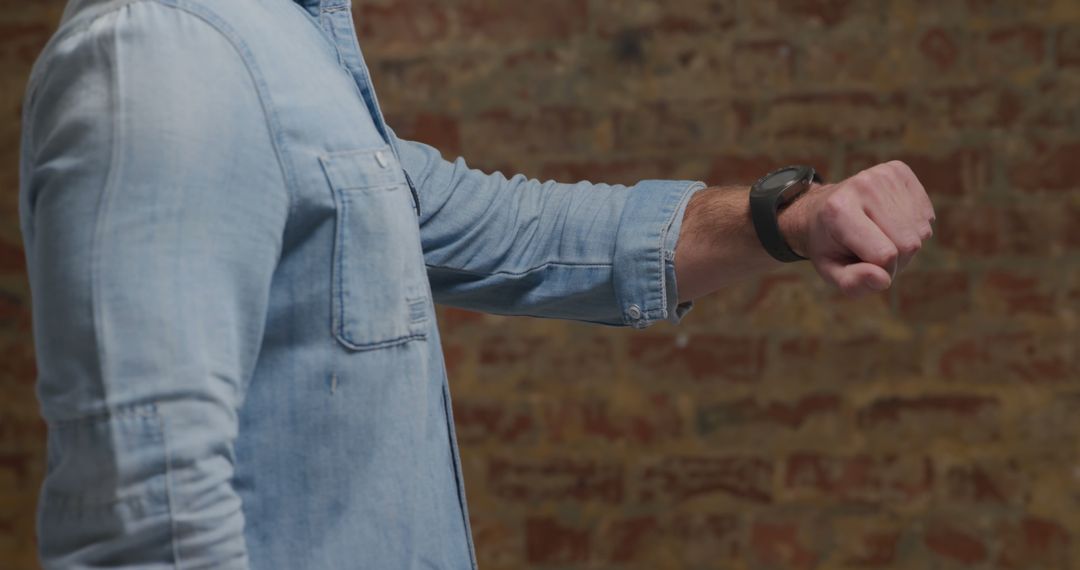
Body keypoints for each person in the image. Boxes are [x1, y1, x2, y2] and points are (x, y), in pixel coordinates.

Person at [19, 0, 934, 568]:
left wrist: (786, 215)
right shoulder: (164, 51)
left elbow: (509, 228)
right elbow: (148, 516)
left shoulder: (283, 45)